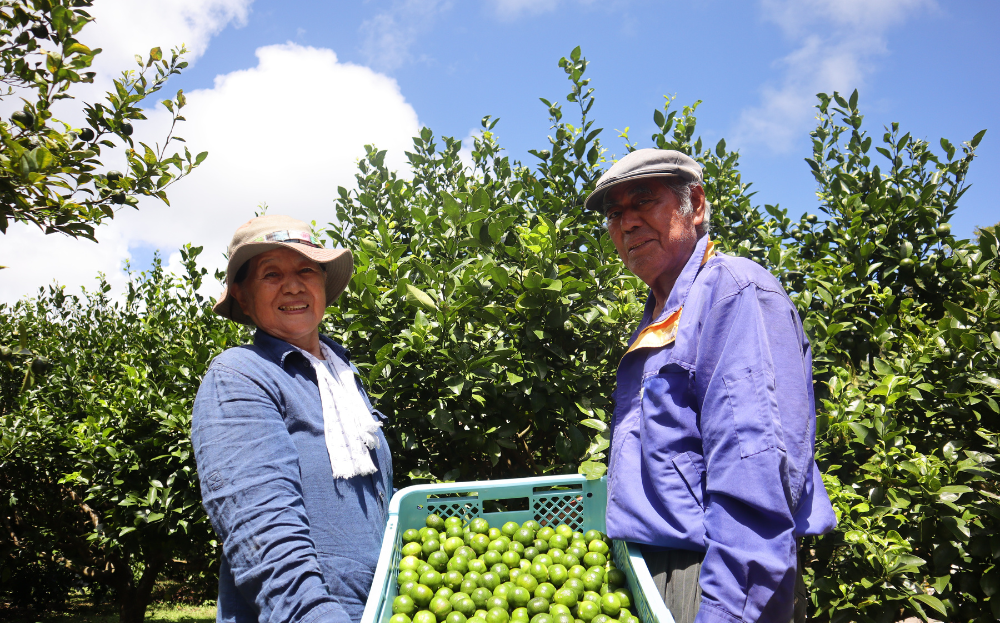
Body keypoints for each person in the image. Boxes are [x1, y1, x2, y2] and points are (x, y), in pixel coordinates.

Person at [585, 150, 836, 623]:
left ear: (695, 205)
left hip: (710, 578)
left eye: (644, 203)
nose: (628, 223)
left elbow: (755, 476)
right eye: (615, 215)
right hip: (658, 569)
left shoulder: (733, 292)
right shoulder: (664, 313)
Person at [192, 215, 393, 623]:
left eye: (306, 269)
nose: (293, 284)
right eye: (271, 274)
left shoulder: (342, 377)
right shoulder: (240, 377)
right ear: (243, 297)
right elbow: (263, 542)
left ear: (321, 285)